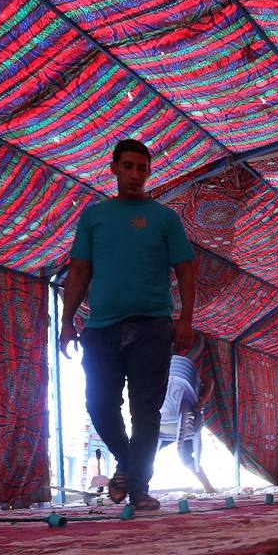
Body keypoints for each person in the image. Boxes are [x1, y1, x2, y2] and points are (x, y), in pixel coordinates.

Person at [58, 139, 196, 511]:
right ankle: (129, 464)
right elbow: (80, 270)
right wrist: (68, 322)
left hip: (152, 326)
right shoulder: (94, 216)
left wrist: (185, 320)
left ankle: (139, 489)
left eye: (142, 168)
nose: (136, 174)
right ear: (115, 169)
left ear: (148, 173)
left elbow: (185, 267)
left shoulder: (165, 219)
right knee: (98, 404)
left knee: (145, 410)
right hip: (101, 327)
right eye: (129, 166)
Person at [156, 353, 215, 493]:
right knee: (185, 454)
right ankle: (209, 487)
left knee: (183, 454)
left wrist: (201, 401)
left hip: (175, 421)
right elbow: (209, 382)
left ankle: (208, 487)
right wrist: (201, 401)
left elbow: (208, 381)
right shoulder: (169, 364)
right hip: (175, 422)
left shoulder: (187, 369)